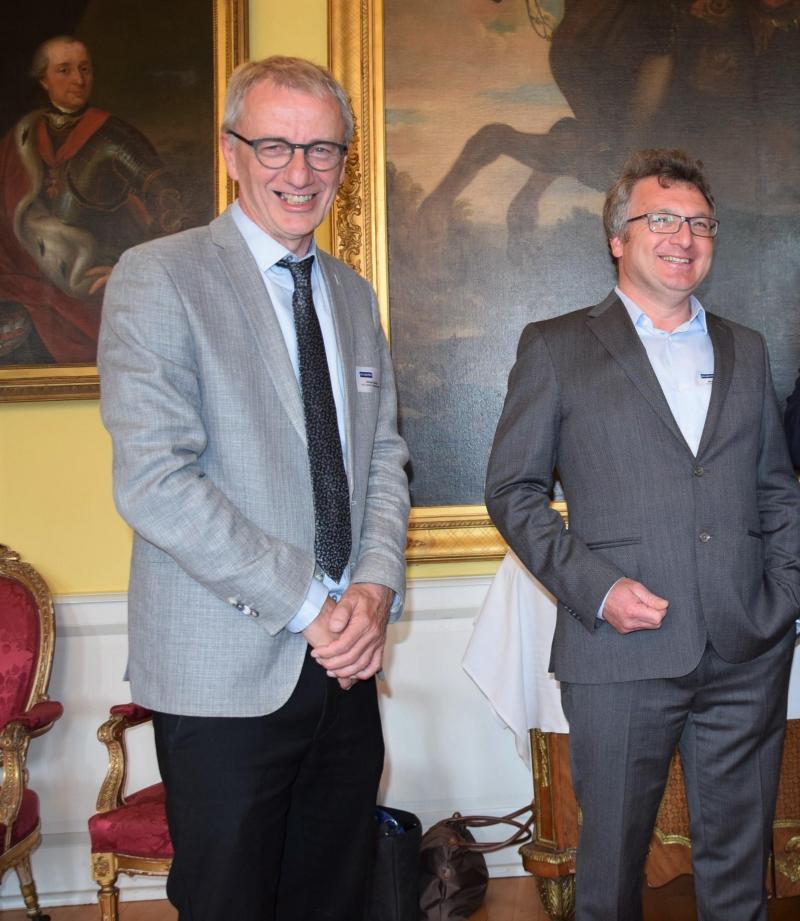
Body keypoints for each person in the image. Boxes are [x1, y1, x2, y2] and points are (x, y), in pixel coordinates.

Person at [98, 56, 409, 921]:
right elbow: (157, 481)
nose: (299, 172)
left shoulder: (352, 295)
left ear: (345, 164)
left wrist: (374, 592)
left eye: (322, 150)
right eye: (275, 145)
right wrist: (314, 606)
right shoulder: (160, 276)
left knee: (335, 896)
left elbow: (383, 457)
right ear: (231, 152)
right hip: (224, 674)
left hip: (346, 667)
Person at [485, 148, 800, 921]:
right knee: (610, 871)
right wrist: (598, 588)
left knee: (738, 868)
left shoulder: (746, 348)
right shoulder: (556, 345)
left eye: (699, 222)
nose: (683, 236)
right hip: (620, 651)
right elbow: (513, 490)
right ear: (618, 238)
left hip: (745, 648)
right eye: (661, 218)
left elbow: (775, 486)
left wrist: (786, 593)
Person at [0, 35, 184, 364]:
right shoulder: (22, 137)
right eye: (65, 70)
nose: (79, 80)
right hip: (30, 283)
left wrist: (130, 269)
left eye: (85, 69)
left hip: (94, 289)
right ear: (44, 79)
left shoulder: (115, 136)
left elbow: (169, 200)